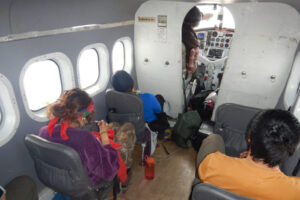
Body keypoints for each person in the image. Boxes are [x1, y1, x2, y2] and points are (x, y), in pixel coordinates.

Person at [194, 109, 300, 199]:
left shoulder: (212, 164)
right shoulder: (295, 192)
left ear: (249, 138)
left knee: (213, 139)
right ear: (292, 151)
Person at [39, 88, 125, 186]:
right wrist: (104, 135)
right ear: (83, 117)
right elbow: (108, 171)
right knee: (122, 143)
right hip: (87, 183)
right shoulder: (86, 139)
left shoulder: (44, 131)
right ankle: (125, 181)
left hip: (61, 180)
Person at [111, 70, 170, 139]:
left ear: (114, 87)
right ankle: (162, 131)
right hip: (148, 127)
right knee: (159, 98)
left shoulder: (113, 100)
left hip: (128, 127)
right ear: (133, 84)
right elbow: (158, 111)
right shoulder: (148, 97)